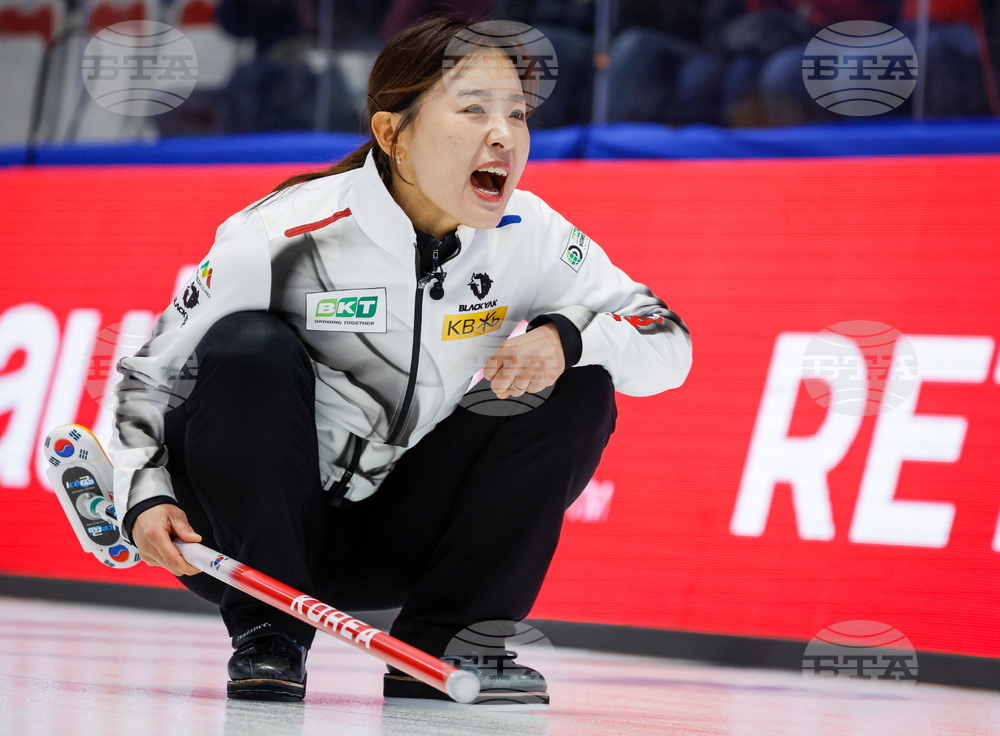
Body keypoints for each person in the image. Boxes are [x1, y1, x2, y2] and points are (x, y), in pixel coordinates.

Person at [109, 16, 692, 704]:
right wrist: (142, 493)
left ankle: (449, 641)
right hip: (240, 538)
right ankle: (269, 636)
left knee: (580, 383)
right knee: (246, 347)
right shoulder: (283, 233)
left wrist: (569, 336)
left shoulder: (532, 234)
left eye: (516, 114)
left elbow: (669, 344)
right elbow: (147, 376)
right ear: (393, 134)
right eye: (473, 110)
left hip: (393, 535)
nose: (503, 136)